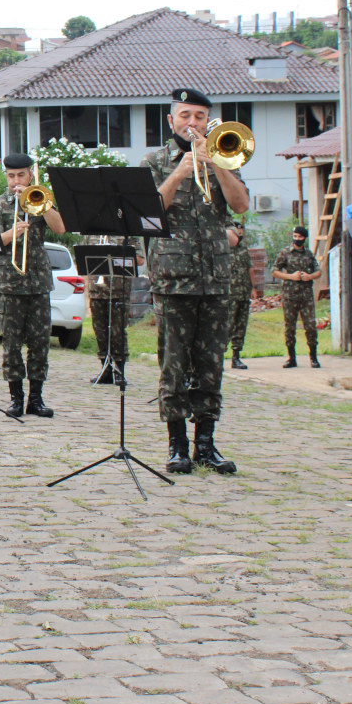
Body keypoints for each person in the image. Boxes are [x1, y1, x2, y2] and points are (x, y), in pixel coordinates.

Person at [143, 88, 249, 474]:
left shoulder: (224, 153)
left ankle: (206, 443)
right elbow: (147, 214)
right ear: (171, 121)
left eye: (200, 117)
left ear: (209, 121)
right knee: (173, 364)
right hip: (173, 278)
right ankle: (177, 445)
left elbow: (240, 205)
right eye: (185, 115)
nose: (193, 123)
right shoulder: (155, 161)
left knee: (211, 364)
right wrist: (181, 170)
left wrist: (217, 164)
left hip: (217, 276)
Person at [0, 153, 66, 418]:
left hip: (37, 282)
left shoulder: (42, 197)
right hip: (8, 282)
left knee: (39, 343)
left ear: (30, 174)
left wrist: (42, 204)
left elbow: (60, 228)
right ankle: (15, 398)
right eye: (11, 176)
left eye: (21, 175)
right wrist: (13, 233)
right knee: (11, 343)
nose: (15, 181)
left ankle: (36, 398)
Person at [82, 233, 139, 384]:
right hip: (97, 290)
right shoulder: (91, 234)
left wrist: (117, 255)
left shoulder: (126, 232)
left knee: (117, 331)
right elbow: (84, 257)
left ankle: (120, 370)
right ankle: (105, 369)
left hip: (119, 290)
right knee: (100, 331)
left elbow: (139, 260)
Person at [272, 225, 322, 368]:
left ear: (304, 238)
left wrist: (309, 276)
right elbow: (274, 271)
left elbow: (318, 271)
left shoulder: (308, 254)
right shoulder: (285, 253)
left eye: (300, 237)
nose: (297, 239)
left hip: (306, 296)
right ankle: (291, 358)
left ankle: (313, 357)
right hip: (290, 295)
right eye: (295, 236)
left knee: (310, 326)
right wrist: (290, 277)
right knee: (290, 327)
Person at [227, 219, 252, 369]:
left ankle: (236, 357)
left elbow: (249, 269)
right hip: (229, 294)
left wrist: (253, 287)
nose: (240, 233)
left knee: (241, 326)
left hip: (243, 292)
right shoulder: (224, 249)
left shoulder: (244, 249)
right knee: (227, 326)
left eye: (241, 231)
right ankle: (219, 357)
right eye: (238, 231)